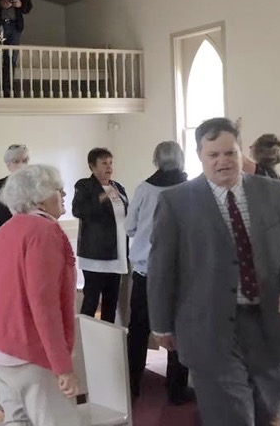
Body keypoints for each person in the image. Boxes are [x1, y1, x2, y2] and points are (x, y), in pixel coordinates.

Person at [148, 117, 280, 425]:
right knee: (231, 413)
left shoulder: (274, 193)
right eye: (213, 155)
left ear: (240, 151)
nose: (223, 161)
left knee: (267, 404)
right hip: (207, 325)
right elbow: (161, 267)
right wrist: (161, 324)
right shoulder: (176, 202)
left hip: (266, 322)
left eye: (229, 153)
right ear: (199, 156)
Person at [0, 164, 80, 426]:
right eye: (58, 189)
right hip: (26, 352)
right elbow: (44, 305)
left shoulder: (7, 229)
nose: (64, 194)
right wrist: (62, 366)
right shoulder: (44, 232)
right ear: (39, 199)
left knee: (17, 420)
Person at [124, 141, 193, 404]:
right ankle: (176, 390)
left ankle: (132, 384)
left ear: (156, 161)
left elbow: (130, 227)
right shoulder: (190, 189)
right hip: (180, 272)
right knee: (179, 330)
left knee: (139, 328)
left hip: (145, 270)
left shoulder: (144, 189)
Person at [72, 147, 128, 324]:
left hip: (117, 252)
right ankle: (86, 340)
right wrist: (104, 196)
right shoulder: (84, 185)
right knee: (92, 300)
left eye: (111, 163)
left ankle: (107, 341)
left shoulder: (117, 186)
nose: (109, 167)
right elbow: (79, 210)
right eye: (104, 163)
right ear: (92, 166)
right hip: (96, 254)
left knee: (111, 302)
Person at [0, 144, 30, 243]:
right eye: (16, 161)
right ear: (8, 165)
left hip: (28, 239)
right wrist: (6, 234)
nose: (21, 165)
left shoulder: (34, 185)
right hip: (3, 239)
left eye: (25, 161)